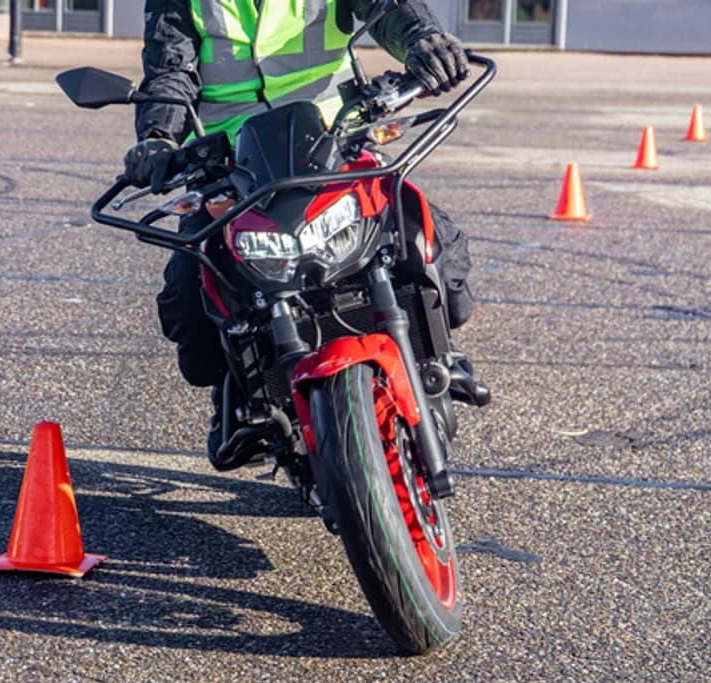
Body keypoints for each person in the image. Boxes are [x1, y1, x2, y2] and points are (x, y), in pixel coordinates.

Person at [122, 0, 487, 466]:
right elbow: (170, 70)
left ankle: (434, 356)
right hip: (231, 164)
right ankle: (241, 394)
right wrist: (159, 138)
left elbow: (388, 7)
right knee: (190, 293)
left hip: (335, 139)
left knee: (427, 240)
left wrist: (422, 38)